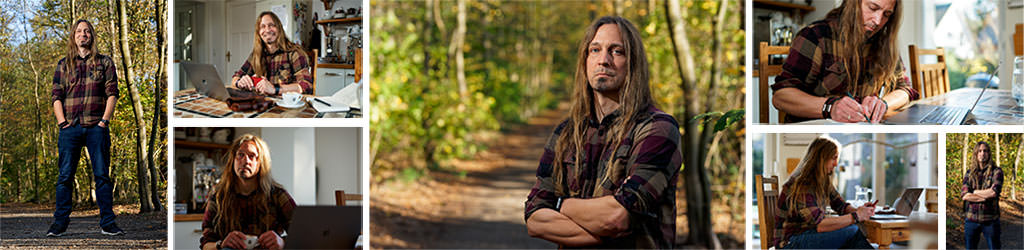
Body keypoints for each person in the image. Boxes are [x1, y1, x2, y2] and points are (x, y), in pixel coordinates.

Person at [523, 16, 683, 248]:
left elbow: (616, 218)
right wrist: (600, 230)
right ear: (585, 60)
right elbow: (534, 219)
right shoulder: (566, 133)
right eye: (595, 50)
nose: (603, 60)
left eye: (616, 51)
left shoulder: (658, 129)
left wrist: (558, 204)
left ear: (633, 63)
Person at [771, 0, 919, 123]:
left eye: (886, 14)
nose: (878, 21)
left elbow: (904, 89)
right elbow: (781, 97)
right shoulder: (816, 36)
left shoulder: (884, 42)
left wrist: (883, 104)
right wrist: (830, 107)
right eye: (873, 8)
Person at [47, 19, 123, 237]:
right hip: (69, 127)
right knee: (64, 177)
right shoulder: (64, 65)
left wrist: (104, 121)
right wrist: (62, 123)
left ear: (92, 36)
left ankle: (108, 223)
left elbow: (112, 93)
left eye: (87, 31)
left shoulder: (104, 62)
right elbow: (56, 96)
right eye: (79, 31)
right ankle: (59, 224)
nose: (83, 34)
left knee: (102, 176)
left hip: (96, 127)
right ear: (74, 36)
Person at [773, 137, 875, 249]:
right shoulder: (803, 184)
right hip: (790, 243)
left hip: (806, 236)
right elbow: (820, 225)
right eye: (833, 158)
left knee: (851, 236)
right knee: (852, 231)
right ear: (821, 159)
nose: (836, 164)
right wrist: (856, 216)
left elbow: (840, 205)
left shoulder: (822, 180)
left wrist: (860, 211)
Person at [200, 134, 296, 250]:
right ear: (233, 161)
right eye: (240, 155)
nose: (245, 161)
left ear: (260, 163)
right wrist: (220, 244)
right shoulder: (218, 196)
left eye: (252, 156)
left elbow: (304, 235)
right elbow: (205, 244)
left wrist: (283, 243)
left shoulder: (277, 195)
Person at [232, 11, 313, 96]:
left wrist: (275, 89)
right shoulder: (256, 55)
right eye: (263, 27)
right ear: (259, 33)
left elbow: (307, 85)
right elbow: (235, 77)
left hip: (287, 106)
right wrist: (239, 82)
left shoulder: (294, 53)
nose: (267, 30)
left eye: (271, 25)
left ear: (279, 29)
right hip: (264, 105)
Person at [961, 141, 1003, 249]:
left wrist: (974, 192)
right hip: (971, 219)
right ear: (976, 154)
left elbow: (993, 192)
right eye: (979, 151)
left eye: (985, 151)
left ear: (989, 154)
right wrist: (984, 196)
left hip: (990, 220)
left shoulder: (996, 171)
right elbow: (965, 195)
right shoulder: (969, 173)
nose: (982, 153)